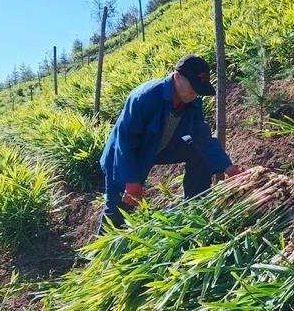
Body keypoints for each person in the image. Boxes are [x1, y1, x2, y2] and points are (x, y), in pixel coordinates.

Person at [99, 54, 241, 233]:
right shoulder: (145, 97)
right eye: (193, 88)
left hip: (160, 148)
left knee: (199, 152)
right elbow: (125, 141)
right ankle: (100, 257)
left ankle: (195, 207)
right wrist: (131, 181)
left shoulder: (192, 102)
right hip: (123, 155)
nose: (195, 94)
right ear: (178, 77)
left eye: (199, 90)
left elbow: (203, 138)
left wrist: (228, 168)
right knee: (118, 209)